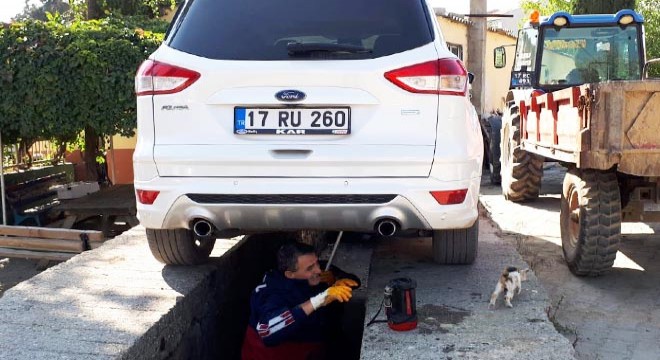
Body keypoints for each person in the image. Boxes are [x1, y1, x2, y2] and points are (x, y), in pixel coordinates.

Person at [241, 241, 361, 360]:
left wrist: (337, 279)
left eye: (317, 263)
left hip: (316, 342)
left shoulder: (319, 271)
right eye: (310, 268)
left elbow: (355, 281)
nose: (318, 270)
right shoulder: (271, 293)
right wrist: (319, 300)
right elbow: (267, 331)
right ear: (290, 274)